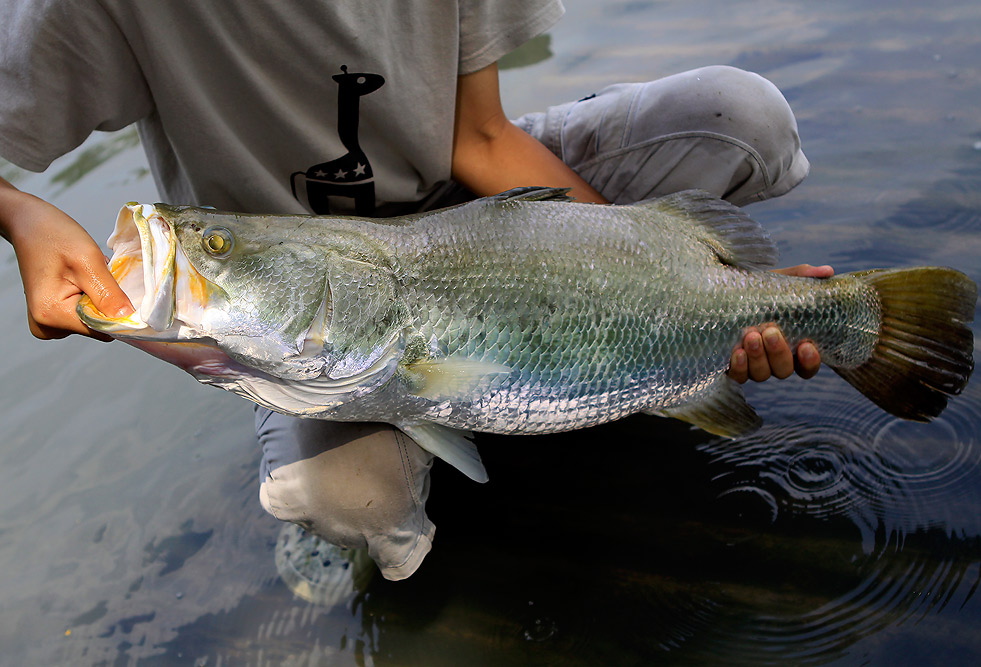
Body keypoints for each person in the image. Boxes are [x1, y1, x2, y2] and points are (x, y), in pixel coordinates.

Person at [0, 0, 831, 583]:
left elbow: (482, 138)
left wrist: (665, 282)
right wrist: (22, 215)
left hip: (476, 215)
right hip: (315, 294)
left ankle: (629, 359)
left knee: (742, 116)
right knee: (349, 503)